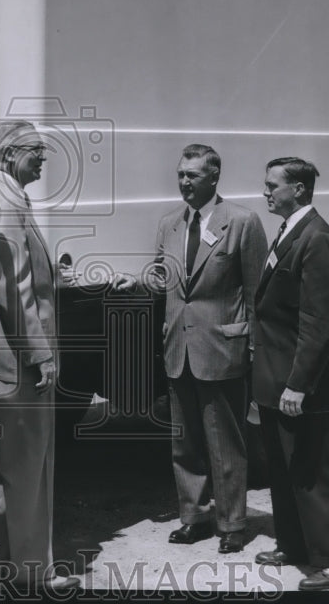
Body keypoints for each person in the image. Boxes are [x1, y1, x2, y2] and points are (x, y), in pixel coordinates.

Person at [116, 144, 267, 553]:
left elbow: (257, 293)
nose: (184, 181)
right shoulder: (169, 224)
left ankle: (233, 522)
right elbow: (165, 278)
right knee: (184, 442)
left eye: (193, 175)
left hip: (222, 348)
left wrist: (256, 348)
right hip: (178, 348)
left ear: (214, 177)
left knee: (225, 442)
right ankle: (194, 517)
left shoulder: (242, 222)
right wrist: (136, 281)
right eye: (181, 174)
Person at [252, 157, 329, 591]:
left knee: (316, 471)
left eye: (272, 185)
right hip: (274, 378)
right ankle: (294, 545)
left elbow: (320, 323)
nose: (265, 192)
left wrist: (299, 383)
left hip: (298, 383)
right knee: (283, 470)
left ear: (297, 189)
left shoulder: (317, 238)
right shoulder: (290, 231)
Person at [0, 119, 79, 593]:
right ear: (7, 154)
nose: (43, 158)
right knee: (29, 470)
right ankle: (33, 576)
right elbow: (12, 285)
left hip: (9, 360)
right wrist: (40, 354)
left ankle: (13, 568)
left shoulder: (9, 195)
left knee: (16, 470)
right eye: (35, 151)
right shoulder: (5, 200)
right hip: (19, 362)